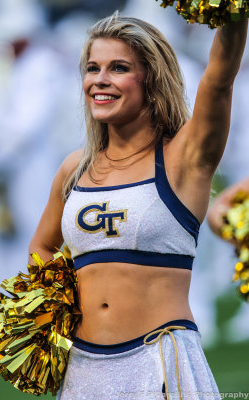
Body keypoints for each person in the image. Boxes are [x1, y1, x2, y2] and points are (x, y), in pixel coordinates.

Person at [28, 11, 248, 400]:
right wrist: (52, 306)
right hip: (82, 368)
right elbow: (42, 245)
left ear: (151, 79)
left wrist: (232, 13)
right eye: (92, 68)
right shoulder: (74, 169)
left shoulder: (184, 160)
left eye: (118, 68)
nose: (100, 80)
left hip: (161, 360)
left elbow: (219, 80)